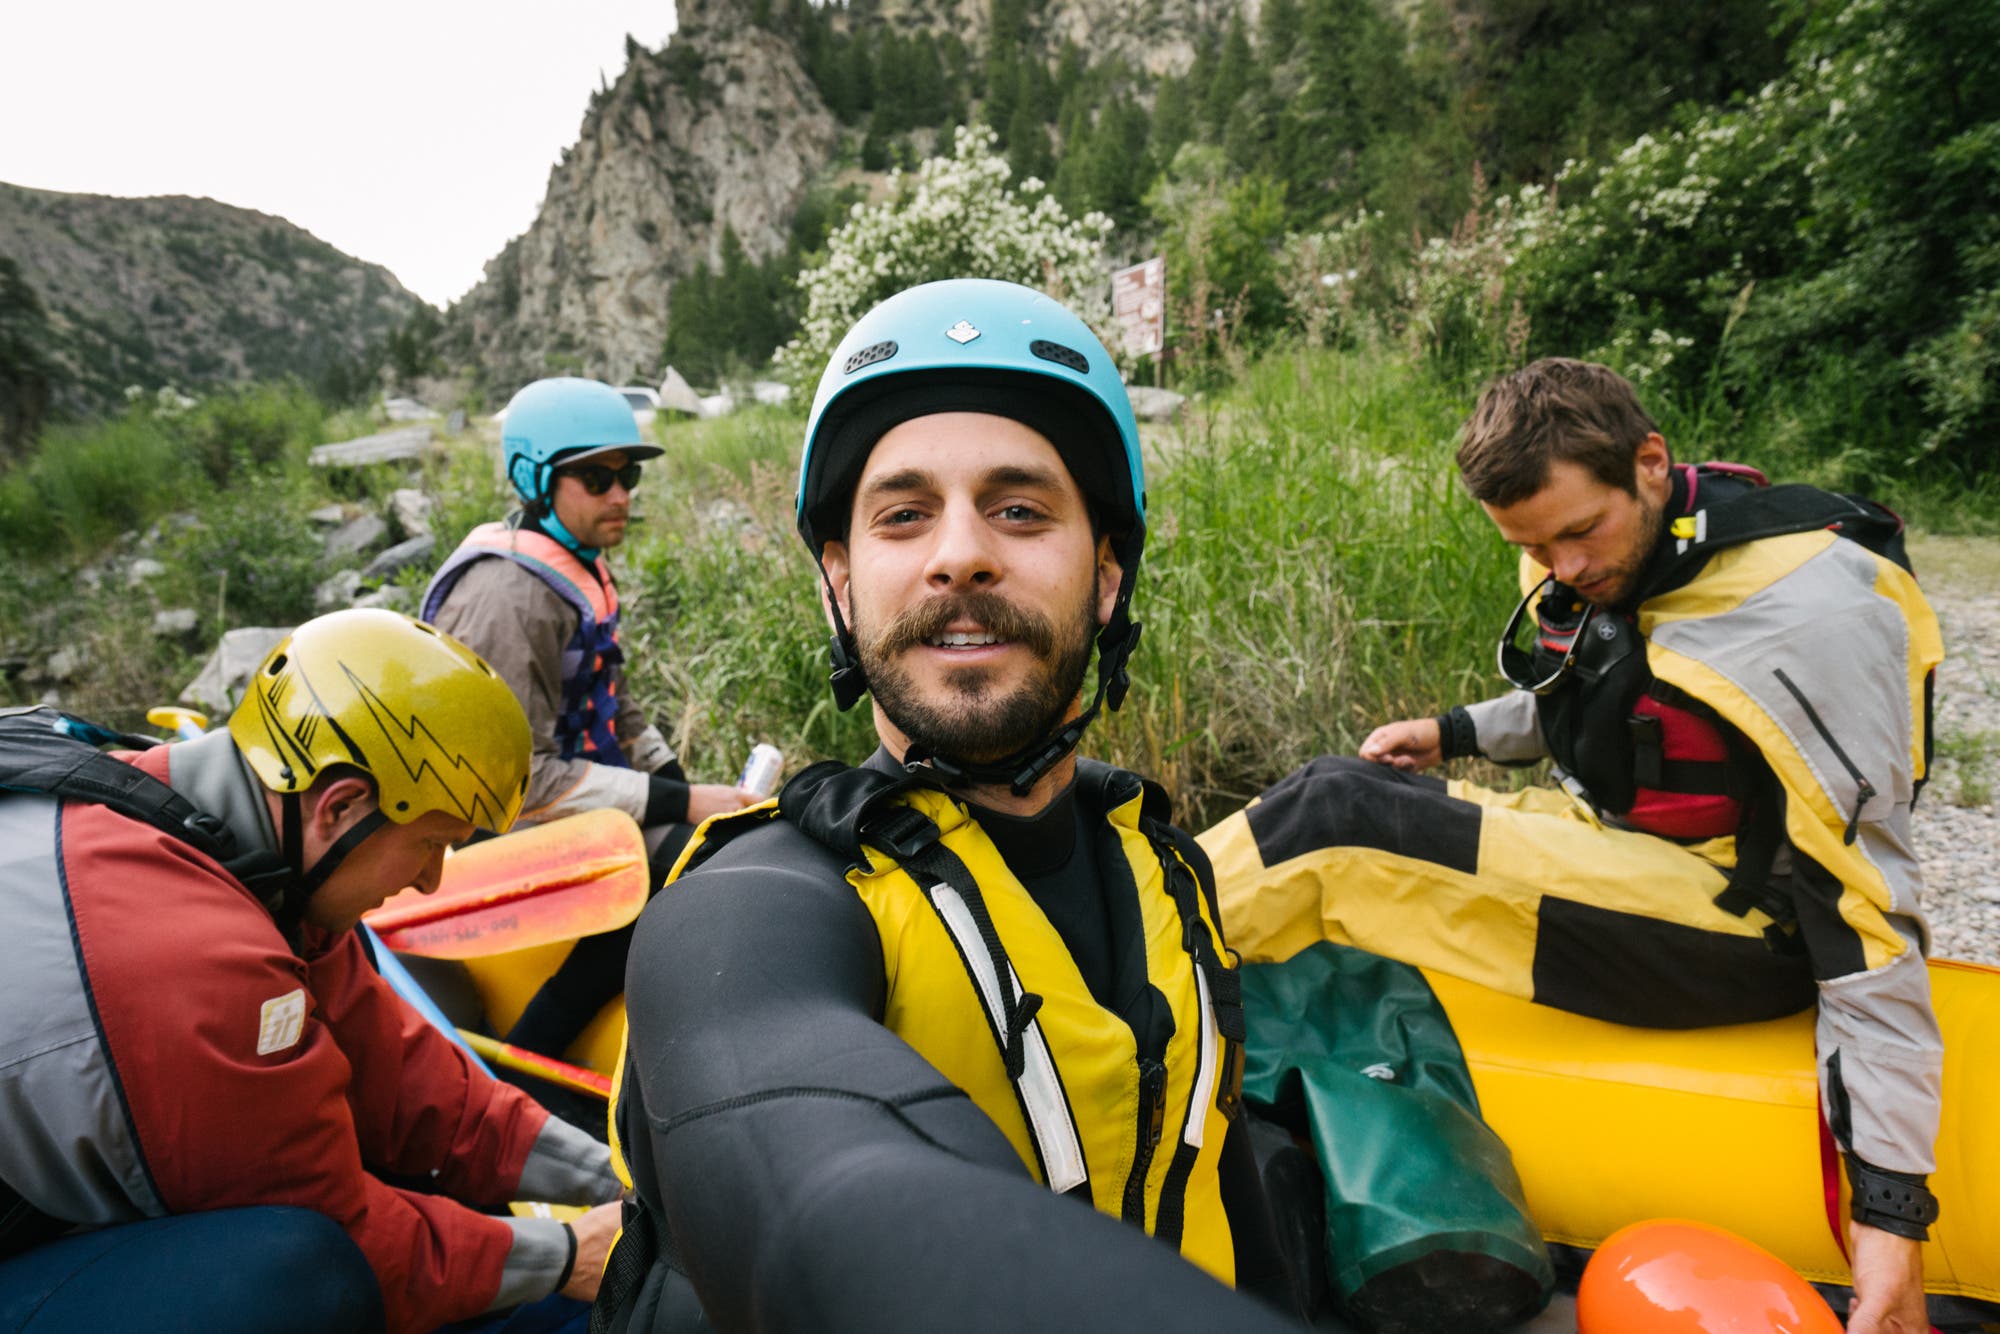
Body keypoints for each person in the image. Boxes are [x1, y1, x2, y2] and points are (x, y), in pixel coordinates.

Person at [595, 280, 1299, 1333]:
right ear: (839, 583)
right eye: (902, 514)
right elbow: (827, 1200)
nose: (958, 553)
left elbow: (1219, 1194)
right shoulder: (748, 909)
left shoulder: (1164, 869)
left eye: (1018, 508)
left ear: (1106, 578)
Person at [1201, 358, 1943, 1334]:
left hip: (1744, 929)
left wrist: (1889, 1215)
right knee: (1336, 785)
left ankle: (1108, 957)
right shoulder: (1606, 543)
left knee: (1337, 826)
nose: (1562, 568)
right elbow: (1622, 689)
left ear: (1648, 461)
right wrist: (1455, 730)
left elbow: (1866, 912)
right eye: (1529, 545)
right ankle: (1137, 913)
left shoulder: (1808, 619)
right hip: (1632, 851)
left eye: (1577, 532)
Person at [0, 609, 623, 1334]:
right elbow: (350, 1233)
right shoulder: (192, 964)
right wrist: (568, 1255)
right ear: (341, 805)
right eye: (428, 844)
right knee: (304, 1273)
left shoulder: (224, 831)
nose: (431, 881)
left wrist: (611, 1169)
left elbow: (398, 1069)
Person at [423, 377, 755, 1059]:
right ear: (534, 480)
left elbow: (616, 699)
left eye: (627, 474)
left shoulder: (575, 566)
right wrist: (679, 803)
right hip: (480, 831)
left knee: (713, 840)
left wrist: (674, 779)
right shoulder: (510, 600)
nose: (620, 494)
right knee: (667, 867)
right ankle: (530, 1059)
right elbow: (514, 787)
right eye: (595, 477)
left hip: (557, 802)